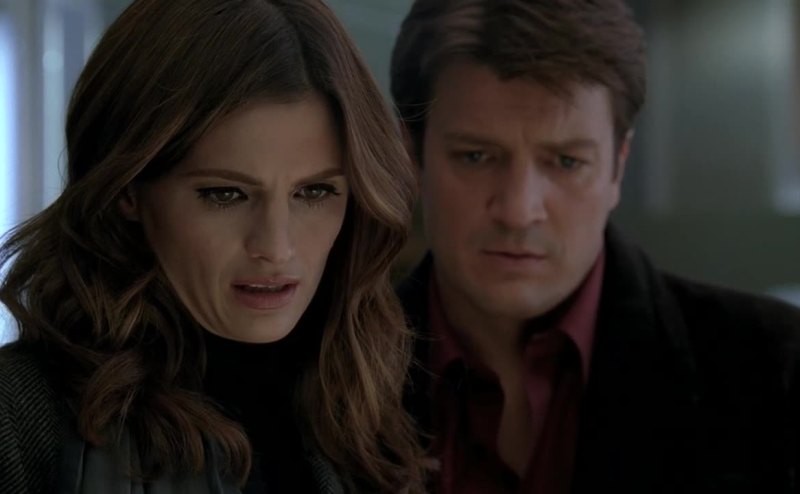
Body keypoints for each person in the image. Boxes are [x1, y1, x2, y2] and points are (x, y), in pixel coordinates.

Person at [0, 0, 428, 492]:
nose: (276, 248)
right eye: (225, 194)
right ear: (128, 191)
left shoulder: (369, 400)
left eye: (314, 192)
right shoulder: (19, 421)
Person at [390, 0, 800, 492]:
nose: (519, 210)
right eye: (476, 156)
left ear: (617, 167)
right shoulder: (321, 373)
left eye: (566, 162)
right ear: (412, 158)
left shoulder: (774, 369)